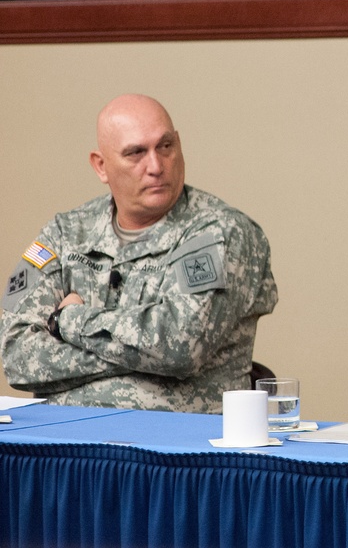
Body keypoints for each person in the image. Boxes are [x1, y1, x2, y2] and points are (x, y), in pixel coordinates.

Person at [0, 94, 278, 413]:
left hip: (173, 449)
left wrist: (67, 321)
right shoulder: (63, 233)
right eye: (136, 153)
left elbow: (179, 347)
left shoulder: (219, 231)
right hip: (64, 445)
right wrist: (142, 355)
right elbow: (16, 356)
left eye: (165, 146)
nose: (156, 166)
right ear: (101, 166)